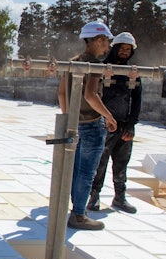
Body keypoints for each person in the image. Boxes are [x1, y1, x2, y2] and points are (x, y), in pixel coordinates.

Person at [58, 21, 118, 230]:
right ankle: (79, 215)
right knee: (86, 172)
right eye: (106, 41)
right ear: (98, 40)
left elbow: (61, 93)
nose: (108, 46)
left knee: (75, 170)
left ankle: (76, 208)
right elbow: (91, 96)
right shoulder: (94, 65)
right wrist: (109, 117)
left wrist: (69, 118)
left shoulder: (72, 62)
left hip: (76, 124)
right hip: (92, 126)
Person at [88, 32, 142, 213]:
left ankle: (120, 197)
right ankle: (94, 197)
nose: (125, 52)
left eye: (128, 50)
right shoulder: (102, 69)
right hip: (104, 124)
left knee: (121, 164)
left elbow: (136, 100)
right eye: (122, 49)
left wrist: (131, 124)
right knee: (100, 163)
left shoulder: (132, 74)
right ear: (115, 48)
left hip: (123, 125)